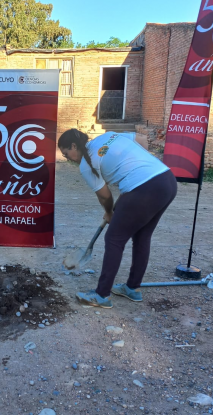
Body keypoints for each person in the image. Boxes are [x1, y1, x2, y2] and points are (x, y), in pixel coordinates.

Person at [58, 128, 177, 309]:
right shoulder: (107, 136)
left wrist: (109, 212)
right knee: (142, 236)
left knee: (114, 238)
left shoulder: (86, 165)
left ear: (74, 145)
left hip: (144, 189)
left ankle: (102, 295)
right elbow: (141, 139)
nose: (68, 159)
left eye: (67, 154)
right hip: (166, 180)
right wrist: (133, 172)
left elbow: (105, 196)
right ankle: (132, 288)